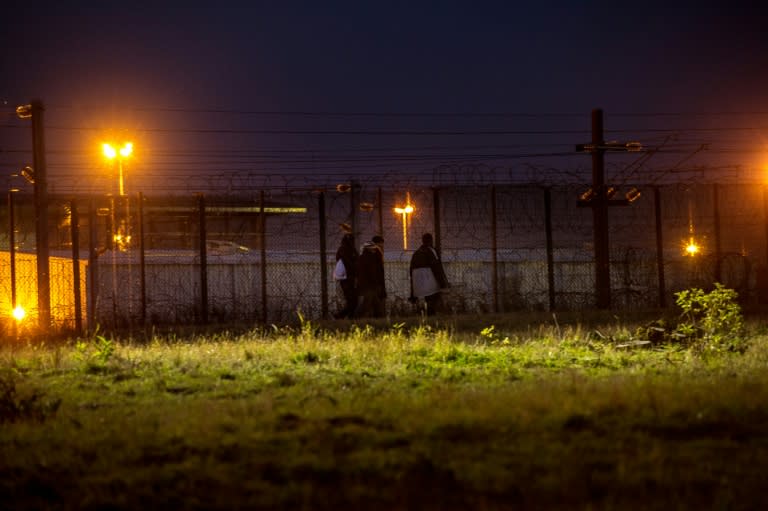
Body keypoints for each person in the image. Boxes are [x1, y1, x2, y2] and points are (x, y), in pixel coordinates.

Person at [409, 233, 449, 316]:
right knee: (434, 296)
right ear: (431, 241)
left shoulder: (416, 253)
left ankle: (426, 313)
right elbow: (436, 267)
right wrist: (443, 283)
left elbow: (411, 271)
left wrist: (412, 291)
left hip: (418, 282)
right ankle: (432, 314)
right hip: (428, 279)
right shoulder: (431, 251)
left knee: (429, 298)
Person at [356, 235, 386, 318]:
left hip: (368, 284)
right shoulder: (372, 257)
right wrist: (377, 283)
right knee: (368, 304)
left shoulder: (364, 257)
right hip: (371, 285)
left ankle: (378, 318)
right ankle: (357, 317)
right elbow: (374, 272)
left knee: (373, 304)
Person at [334, 233, 358, 319]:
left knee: (353, 300)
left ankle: (348, 317)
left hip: (348, 278)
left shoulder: (347, 249)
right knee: (352, 300)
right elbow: (350, 264)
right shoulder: (345, 250)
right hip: (347, 279)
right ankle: (340, 315)